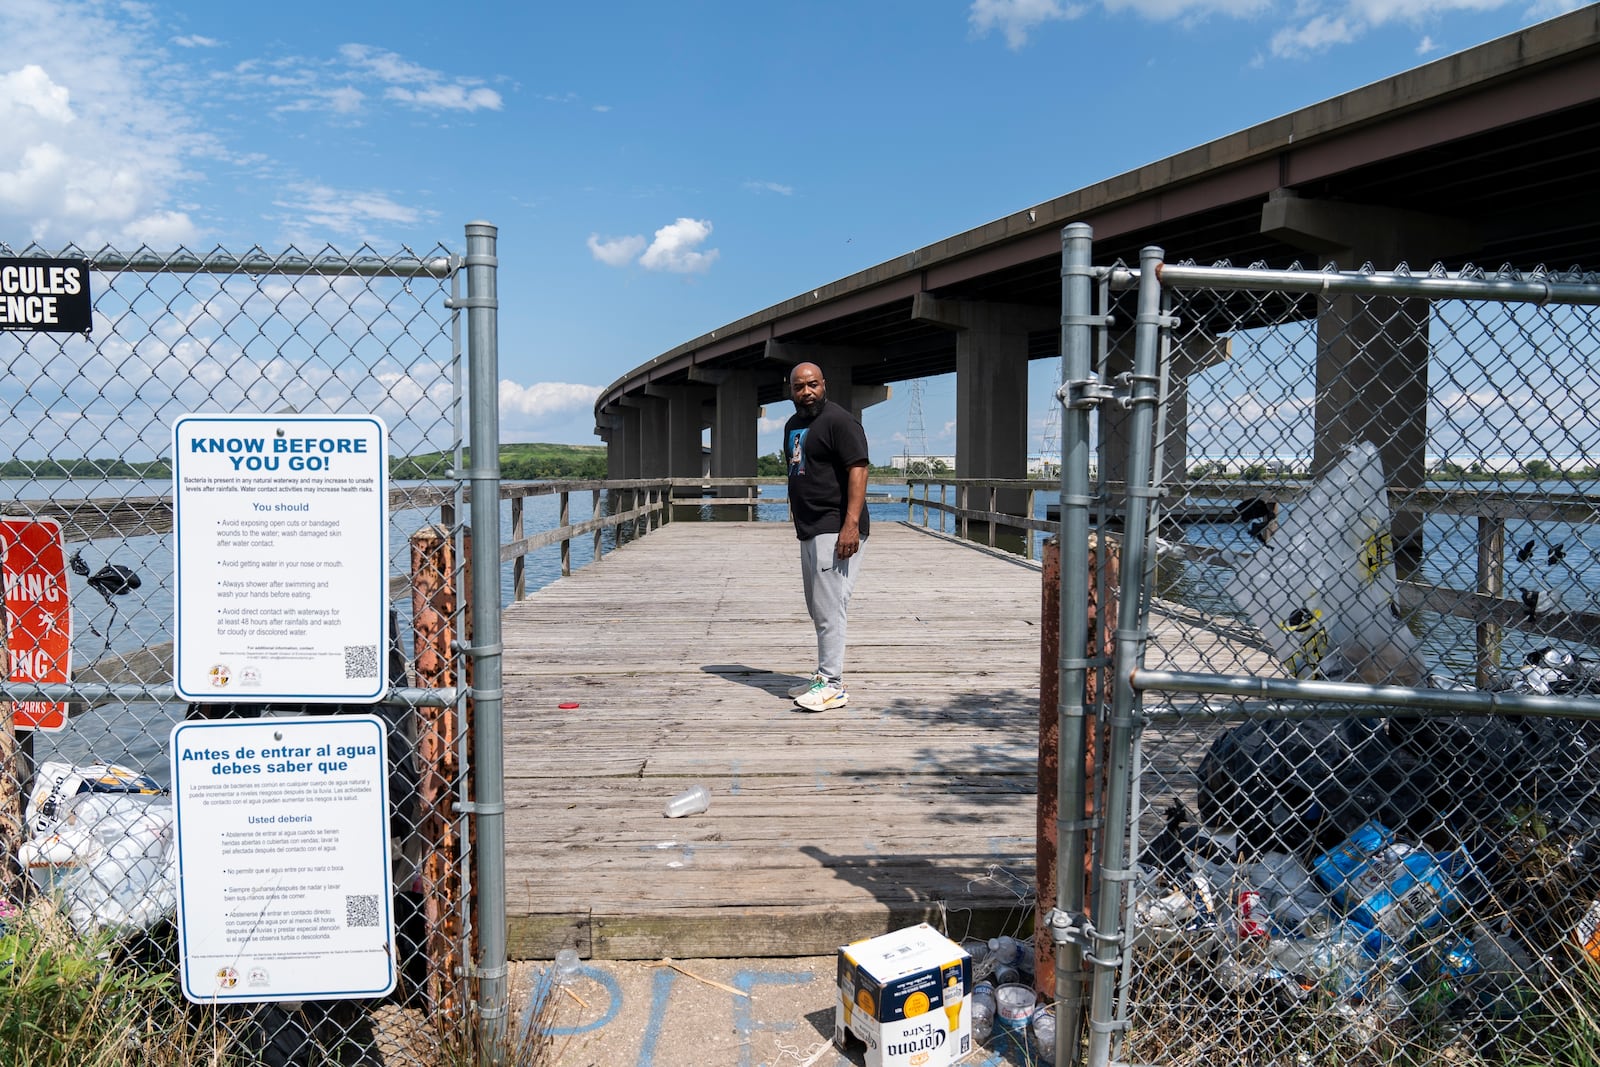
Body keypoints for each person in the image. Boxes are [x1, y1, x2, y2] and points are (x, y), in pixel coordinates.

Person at [783, 362, 869, 711]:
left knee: (830, 608)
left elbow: (859, 470)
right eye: (799, 387)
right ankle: (823, 678)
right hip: (810, 528)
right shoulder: (793, 425)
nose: (807, 392)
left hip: (835, 527)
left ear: (824, 385)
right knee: (818, 607)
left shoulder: (839, 421)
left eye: (813, 385)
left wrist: (850, 525)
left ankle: (831, 684)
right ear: (791, 391)